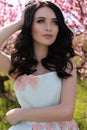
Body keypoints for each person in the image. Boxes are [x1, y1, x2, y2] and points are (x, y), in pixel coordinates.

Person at [0, 1, 79, 130]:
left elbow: (66, 111)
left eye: (55, 22)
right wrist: (19, 23)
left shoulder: (65, 63)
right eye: (41, 21)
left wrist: (21, 114)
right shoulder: (16, 67)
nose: (49, 27)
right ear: (29, 25)